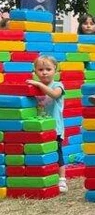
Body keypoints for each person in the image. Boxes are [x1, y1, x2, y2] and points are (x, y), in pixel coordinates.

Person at [26, 56, 67, 193]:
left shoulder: (58, 85)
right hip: (40, 126)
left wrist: (39, 85)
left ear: (55, 69)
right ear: (35, 71)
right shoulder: (33, 86)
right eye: (41, 69)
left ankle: (62, 180)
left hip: (55, 128)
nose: (44, 72)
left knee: (57, 153)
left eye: (48, 69)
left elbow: (55, 95)